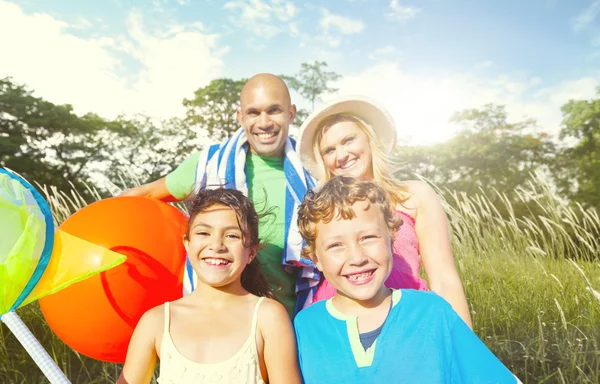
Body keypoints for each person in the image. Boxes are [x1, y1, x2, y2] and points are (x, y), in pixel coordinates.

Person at [120, 74, 319, 317]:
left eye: (274, 110)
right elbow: (144, 195)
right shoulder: (208, 164)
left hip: (289, 320)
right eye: (253, 113)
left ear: (291, 113)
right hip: (215, 322)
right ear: (240, 117)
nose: (264, 122)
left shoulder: (313, 170)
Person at [294, 176, 520, 383]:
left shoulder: (432, 312)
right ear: (317, 259)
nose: (357, 257)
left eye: (368, 237)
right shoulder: (305, 327)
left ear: (392, 239)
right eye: (336, 245)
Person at [297, 95, 472, 327]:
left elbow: (444, 279)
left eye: (348, 140)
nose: (341, 155)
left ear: (369, 140)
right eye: (329, 150)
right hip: (340, 318)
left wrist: (465, 346)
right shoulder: (321, 210)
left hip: (405, 315)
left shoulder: (413, 196)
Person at [117, 188, 301, 384]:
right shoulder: (157, 321)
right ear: (187, 243)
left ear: (252, 252)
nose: (217, 245)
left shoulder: (268, 316)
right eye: (204, 233)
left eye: (232, 236)